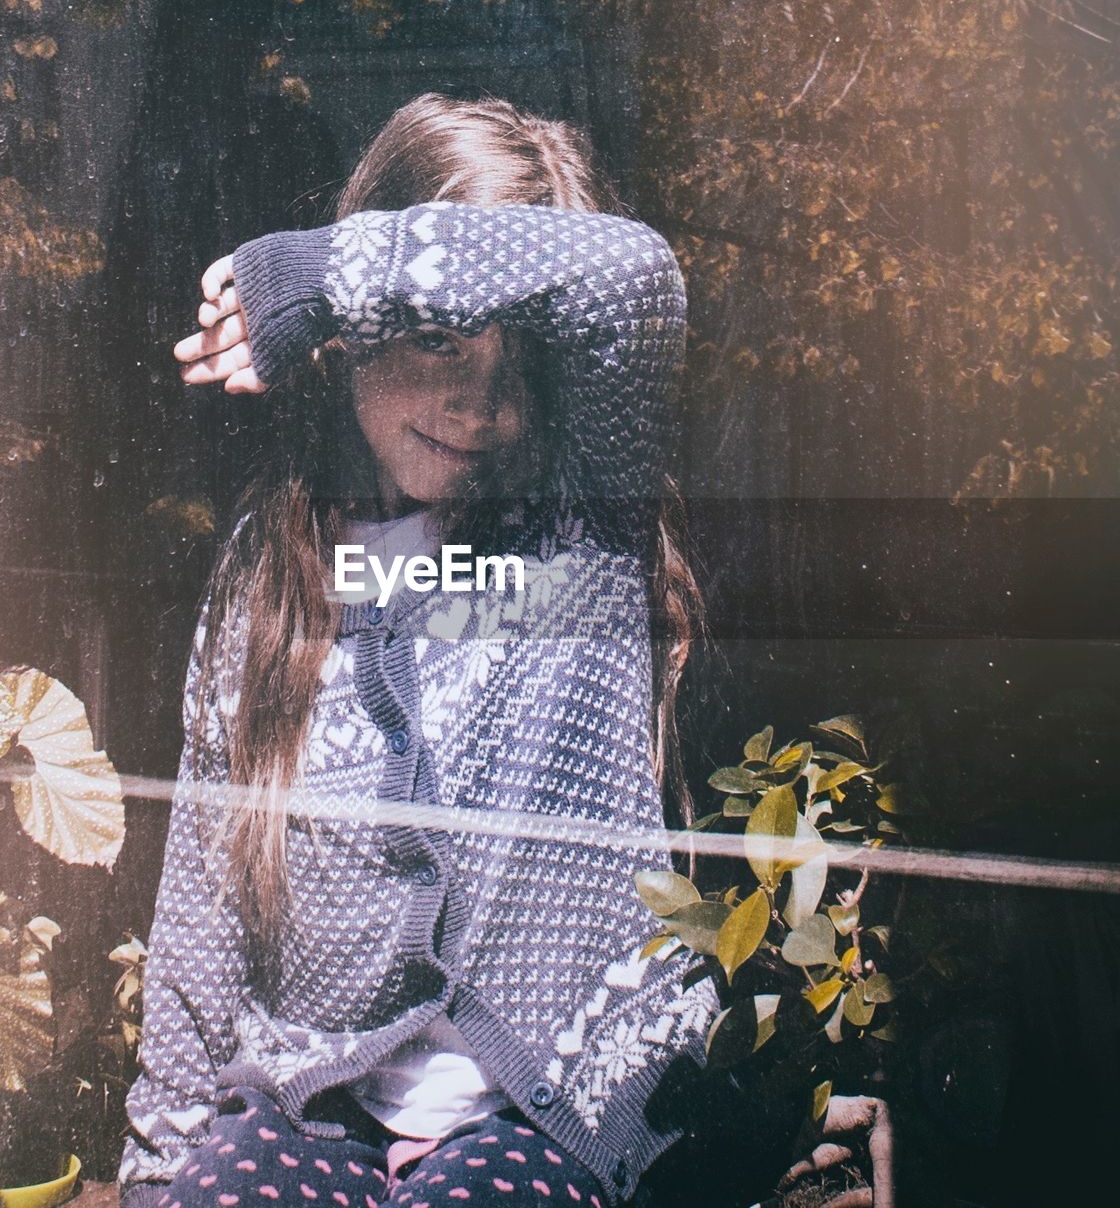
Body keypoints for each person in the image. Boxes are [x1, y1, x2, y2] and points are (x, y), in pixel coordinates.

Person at [116, 92, 720, 1208]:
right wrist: (159, 1167)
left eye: (516, 350)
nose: (476, 396)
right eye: (436, 333)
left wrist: (327, 267)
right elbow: (201, 901)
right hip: (314, 1095)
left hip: (558, 1102)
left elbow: (632, 277)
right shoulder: (271, 566)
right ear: (349, 343)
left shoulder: (579, 528)